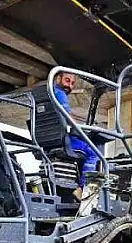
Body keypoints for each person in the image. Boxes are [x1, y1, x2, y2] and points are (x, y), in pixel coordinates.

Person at [52, 72, 106, 211]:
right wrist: (83, 128)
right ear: (58, 79)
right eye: (66, 80)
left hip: (50, 140)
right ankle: (83, 190)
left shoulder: (46, 95)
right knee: (94, 152)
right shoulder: (59, 93)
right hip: (63, 140)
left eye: (72, 83)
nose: (69, 85)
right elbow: (68, 118)